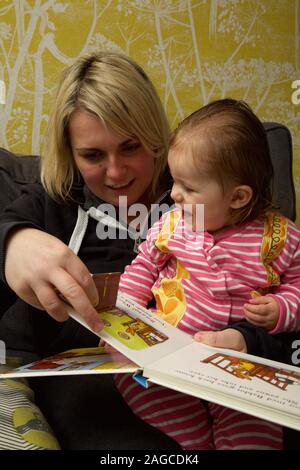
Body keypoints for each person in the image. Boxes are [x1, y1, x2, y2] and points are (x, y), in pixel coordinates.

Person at [0, 50, 180, 449]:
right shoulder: (51, 201)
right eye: (93, 156)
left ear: (154, 138)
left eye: (130, 147)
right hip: (90, 389)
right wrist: (12, 243)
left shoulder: (197, 193)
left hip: (191, 375)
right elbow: (8, 229)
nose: (116, 173)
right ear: (69, 152)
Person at [115, 99, 300, 450]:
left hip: (237, 366)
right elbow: (142, 266)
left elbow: (298, 286)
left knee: (254, 424)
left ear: (238, 196)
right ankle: (195, 440)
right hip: (169, 354)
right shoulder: (172, 225)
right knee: (131, 379)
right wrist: (123, 313)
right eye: (174, 182)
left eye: (189, 188)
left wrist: (280, 309)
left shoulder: (281, 238)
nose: (174, 194)